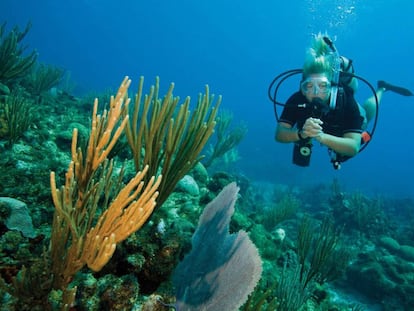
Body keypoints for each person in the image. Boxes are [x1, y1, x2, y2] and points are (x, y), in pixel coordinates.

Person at [275, 33, 413, 168]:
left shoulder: (344, 99)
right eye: (309, 86)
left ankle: (382, 89)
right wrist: (301, 134)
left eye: (323, 86)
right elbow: (279, 134)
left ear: (331, 86)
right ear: (302, 87)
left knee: (365, 117)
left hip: (341, 123)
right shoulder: (296, 99)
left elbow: (353, 147)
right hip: (321, 129)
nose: (316, 92)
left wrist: (320, 136)